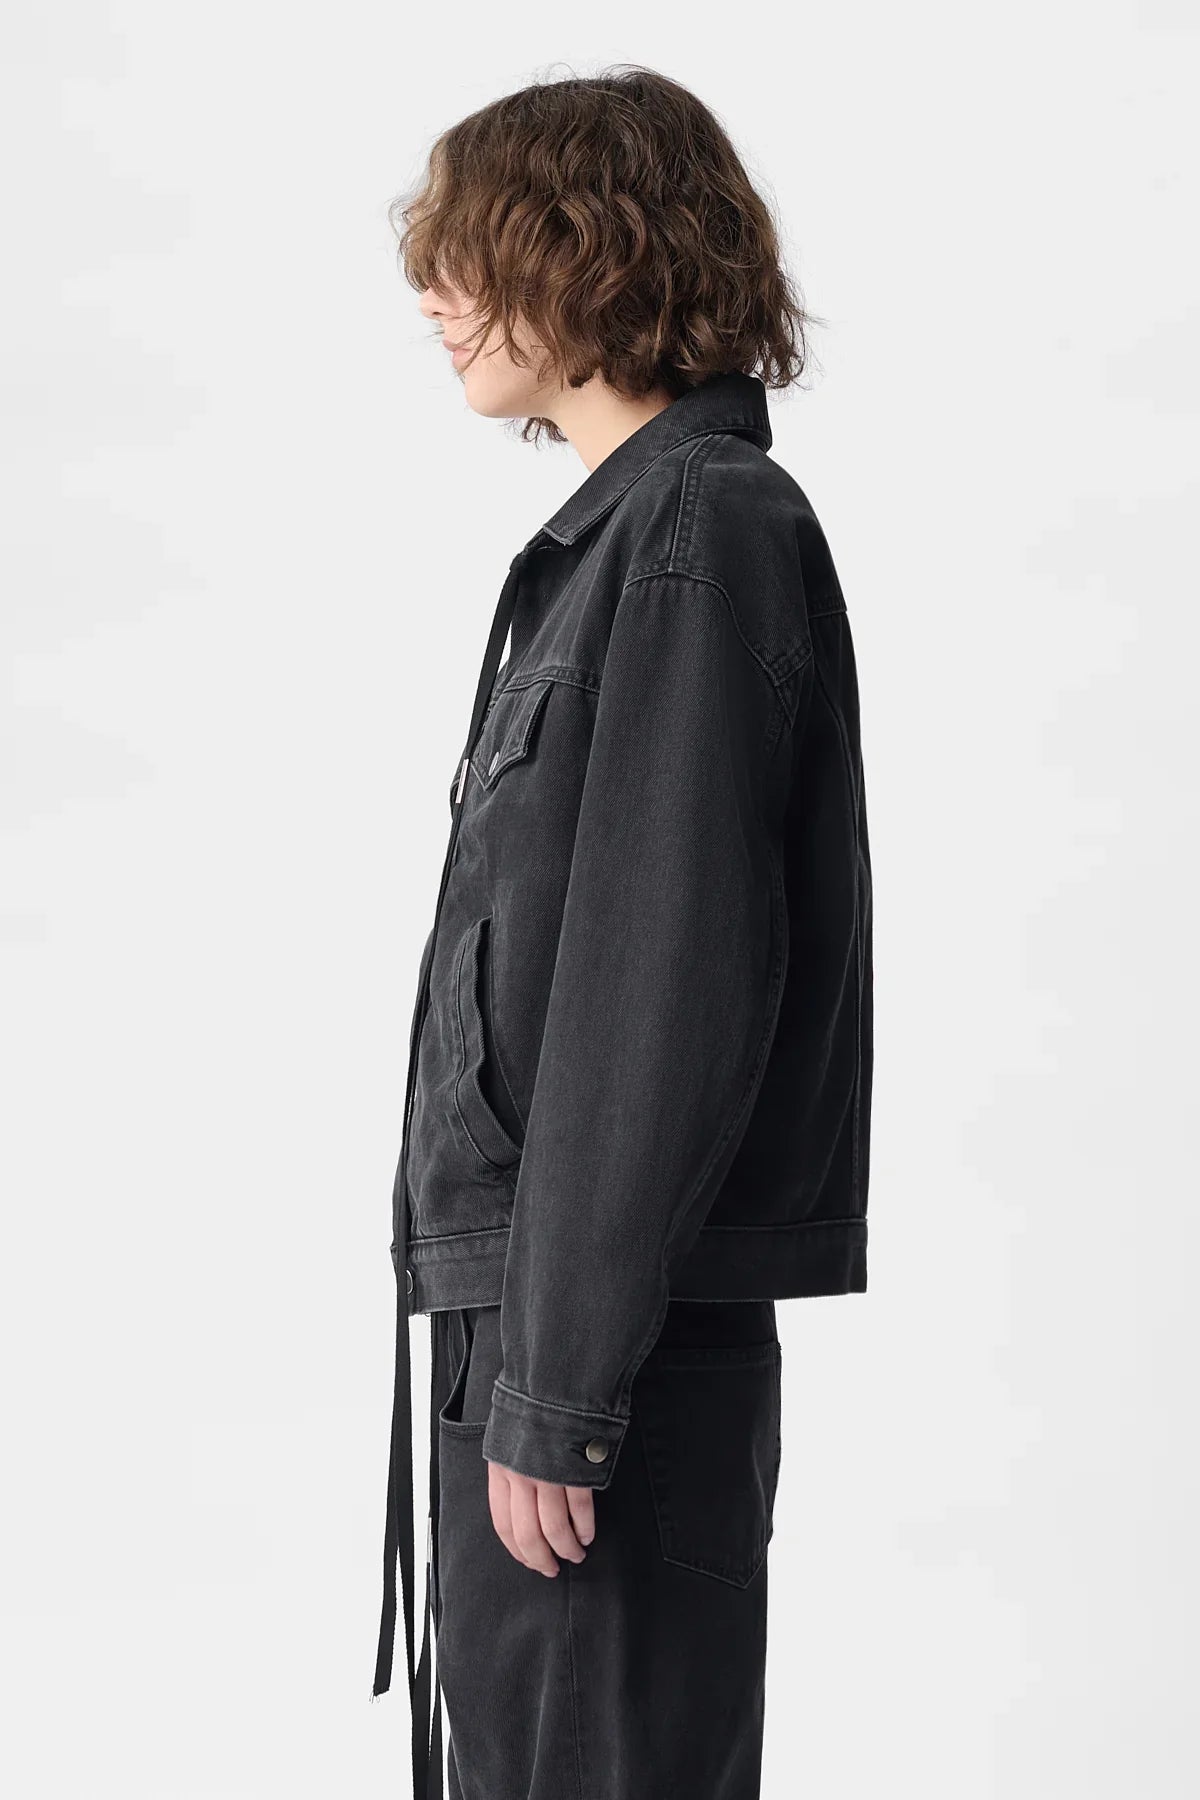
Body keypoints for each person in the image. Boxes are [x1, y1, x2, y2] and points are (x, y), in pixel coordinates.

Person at [371, 64, 874, 1800]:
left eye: (471, 251)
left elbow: (660, 981)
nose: (434, 296)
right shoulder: (623, 544)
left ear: (588, 252)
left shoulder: (695, 532)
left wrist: (562, 1387)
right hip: (549, 1328)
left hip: (599, 1350)